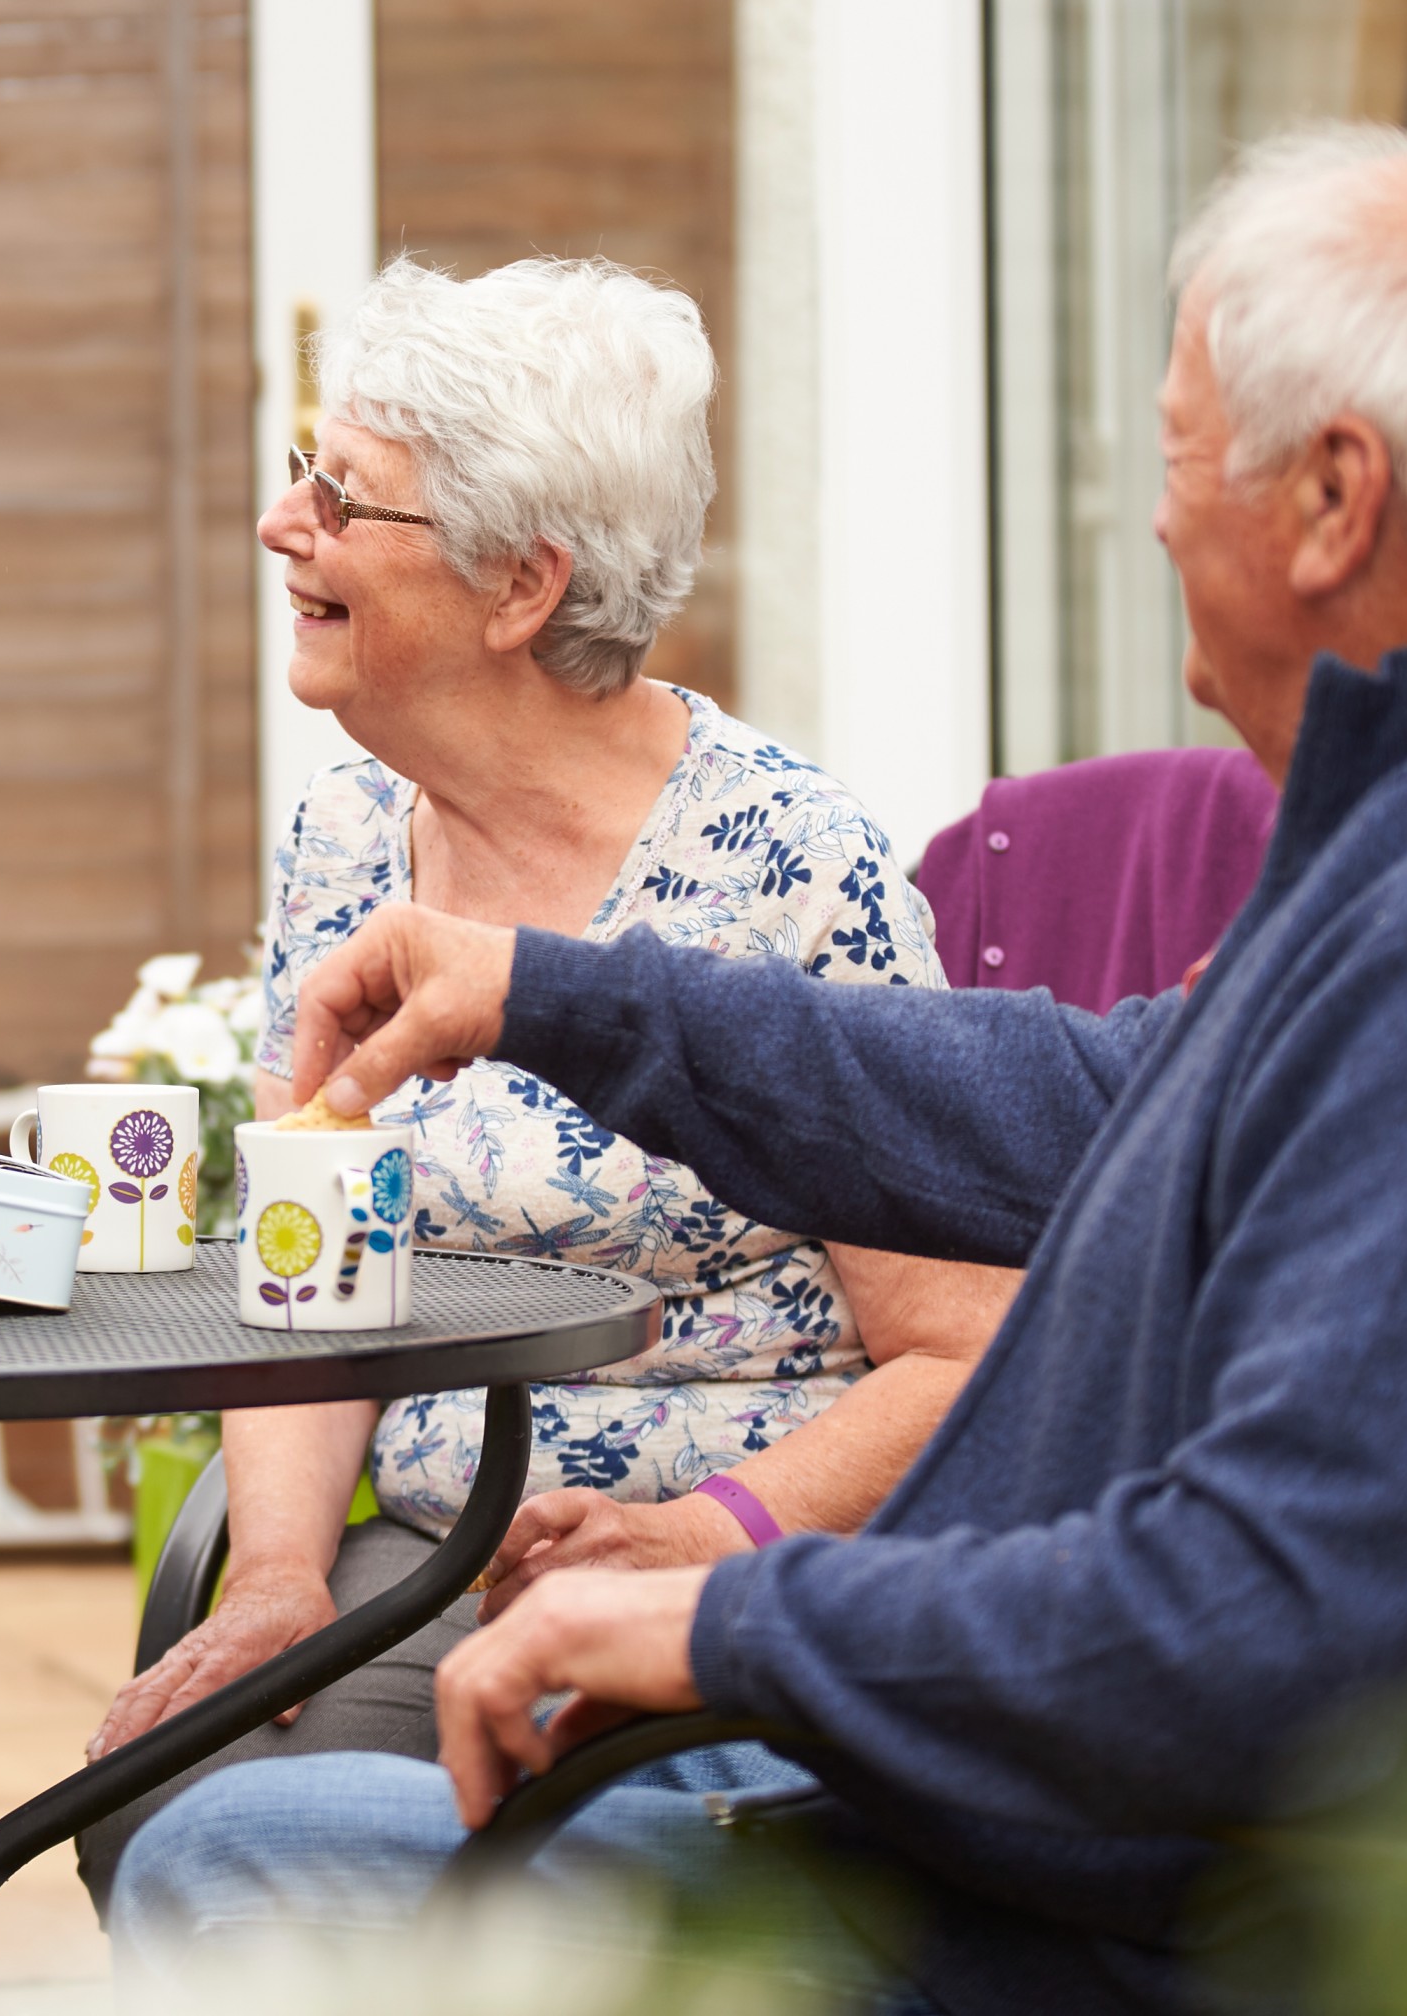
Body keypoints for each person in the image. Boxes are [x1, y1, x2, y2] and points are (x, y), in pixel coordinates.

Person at [106, 127, 1407, 2014]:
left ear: (1333, 500)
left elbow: (1250, 1618)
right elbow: (1098, 1102)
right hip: (1081, 1822)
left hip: (1142, 1931)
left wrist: (736, 1610)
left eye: (1179, 453)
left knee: (238, 1866)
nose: (1155, 517)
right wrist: (554, 993)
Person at [79, 257, 1014, 1903]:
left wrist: (710, 1530)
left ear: (521, 587)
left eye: (338, 496)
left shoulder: (791, 869)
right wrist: (280, 1575)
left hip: (720, 1578)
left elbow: (965, 1358)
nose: (277, 525)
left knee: (347, 1876)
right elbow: (307, 1268)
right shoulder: (350, 837)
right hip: (433, 1554)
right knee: (163, 1801)